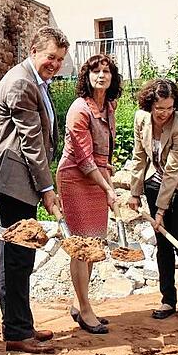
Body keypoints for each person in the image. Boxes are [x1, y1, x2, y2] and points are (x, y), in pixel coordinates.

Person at [0, 26, 69, 354]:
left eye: (60, 59)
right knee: (16, 256)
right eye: (50, 57)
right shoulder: (21, 82)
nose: (55, 64)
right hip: (13, 180)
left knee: (22, 254)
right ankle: (16, 332)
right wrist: (48, 189)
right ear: (34, 51)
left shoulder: (34, 79)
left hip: (20, 180)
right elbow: (31, 142)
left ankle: (22, 322)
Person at [127, 79, 178, 324]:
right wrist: (134, 191)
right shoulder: (141, 118)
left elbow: (174, 169)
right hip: (157, 177)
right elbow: (139, 156)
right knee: (162, 240)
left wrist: (160, 210)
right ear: (150, 105)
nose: (164, 114)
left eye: (169, 108)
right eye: (160, 109)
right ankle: (167, 299)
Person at [56, 54, 121, 334]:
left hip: (98, 177)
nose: (101, 76)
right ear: (86, 76)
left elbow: (103, 149)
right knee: (82, 247)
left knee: (93, 246)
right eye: (95, 71)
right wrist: (108, 188)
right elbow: (83, 158)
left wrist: (108, 170)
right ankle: (85, 310)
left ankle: (78, 302)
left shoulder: (109, 106)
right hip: (75, 178)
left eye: (106, 71)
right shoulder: (79, 110)